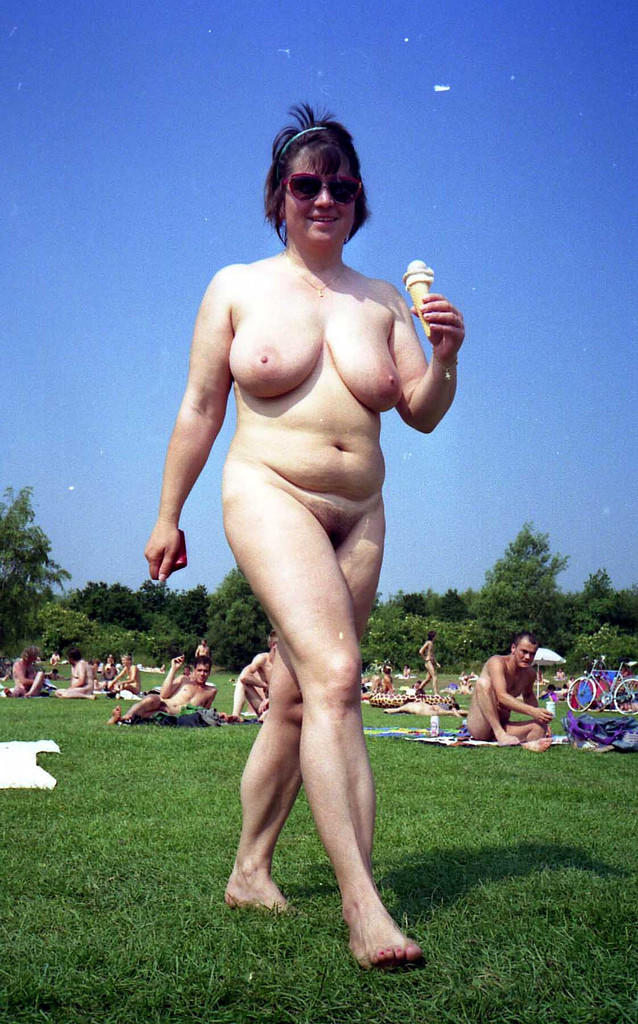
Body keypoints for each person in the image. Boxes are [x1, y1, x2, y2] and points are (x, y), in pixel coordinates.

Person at [144, 103, 464, 969]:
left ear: (360, 201)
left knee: (298, 696)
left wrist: (445, 357)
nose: (325, 198)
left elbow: (422, 413)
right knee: (338, 676)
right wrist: (168, 514)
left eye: (342, 187)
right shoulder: (237, 287)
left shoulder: (384, 299)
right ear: (279, 196)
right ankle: (365, 908)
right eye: (307, 184)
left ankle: (250, 870)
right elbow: (201, 407)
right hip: (269, 490)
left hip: (361, 512)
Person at [466, 632, 553, 750]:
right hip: (481, 726)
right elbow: (501, 696)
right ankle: (500, 734)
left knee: (539, 728)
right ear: (513, 648)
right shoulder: (497, 662)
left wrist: (541, 719)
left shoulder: (530, 674)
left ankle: (523, 745)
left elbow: (528, 696)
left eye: (532, 654)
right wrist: (533, 711)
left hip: (504, 725)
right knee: (483, 684)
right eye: (524, 652)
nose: (528, 657)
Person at [107, 654, 217, 724]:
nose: (202, 674)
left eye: (205, 671)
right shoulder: (184, 679)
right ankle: (126, 715)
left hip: (174, 716)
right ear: (194, 670)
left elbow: (204, 712)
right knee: (152, 698)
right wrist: (173, 669)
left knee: (146, 716)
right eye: (199, 670)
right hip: (163, 705)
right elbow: (164, 694)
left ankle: (121, 720)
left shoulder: (211, 691)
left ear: (209, 672)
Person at [231, 631, 278, 720]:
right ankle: (235, 716)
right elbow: (244, 676)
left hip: (279, 706)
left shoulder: (287, 665)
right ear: (275, 645)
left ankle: (268, 716)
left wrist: (270, 699)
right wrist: (264, 685)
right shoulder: (262, 659)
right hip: (263, 706)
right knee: (241, 683)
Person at [418, 631, 440, 695]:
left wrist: (436, 663)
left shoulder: (432, 643)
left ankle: (419, 689)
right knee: (434, 676)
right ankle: (436, 693)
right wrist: (425, 658)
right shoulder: (428, 642)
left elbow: (432, 654)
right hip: (428, 662)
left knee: (428, 678)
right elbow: (420, 651)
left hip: (431, 661)